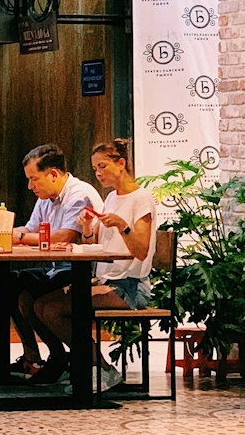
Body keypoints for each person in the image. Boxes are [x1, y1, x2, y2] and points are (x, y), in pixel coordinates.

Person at [33, 137, 156, 391]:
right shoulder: (110, 198)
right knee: (41, 305)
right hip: (105, 279)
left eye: (103, 167)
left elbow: (141, 250)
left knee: (55, 309)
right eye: (95, 169)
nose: (98, 173)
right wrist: (88, 228)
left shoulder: (141, 198)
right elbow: (97, 243)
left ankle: (101, 369)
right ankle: (89, 366)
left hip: (130, 286)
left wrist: (123, 225)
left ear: (121, 164)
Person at [9, 143, 102, 385]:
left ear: (53, 174)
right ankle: (48, 357)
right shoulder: (45, 197)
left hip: (81, 270)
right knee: (12, 287)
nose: (30, 186)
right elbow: (30, 230)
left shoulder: (80, 194)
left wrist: (18, 237)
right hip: (57, 267)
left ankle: (84, 361)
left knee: (35, 299)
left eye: (34, 179)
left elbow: (66, 236)